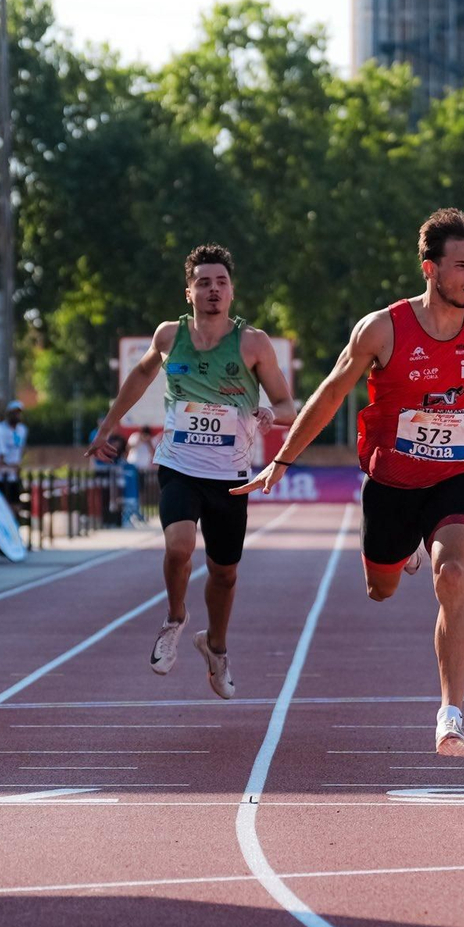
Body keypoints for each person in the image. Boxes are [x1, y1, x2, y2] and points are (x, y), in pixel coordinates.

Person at [233, 209, 464, 756]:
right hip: (392, 481)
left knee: (452, 573)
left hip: (458, 474)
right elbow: (330, 394)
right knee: (382, 588)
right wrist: (282, 460)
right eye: (461, 266)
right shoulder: (381, 329)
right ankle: (403, 554)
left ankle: (451, 714)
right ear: (430, 268)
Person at [86, 244, 297, 700]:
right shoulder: (168, 337)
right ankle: (175, 619)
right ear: (189, 292)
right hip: (179, 465)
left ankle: (215, 648)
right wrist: (107, 427)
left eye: (221, 282)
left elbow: (287, 405)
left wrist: (268, 414)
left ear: (232, 291)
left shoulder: (252, 343)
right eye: (204, 282)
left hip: (230, 475)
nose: (213, 290)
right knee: (179, 547)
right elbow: (139, 378)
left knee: (224, 574)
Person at [0, 400, 29, 504]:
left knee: (15, 503)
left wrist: (19, 463)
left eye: (19, 413)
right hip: (2, 473)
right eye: (15, 413)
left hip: (15, 472)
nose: (17, 415)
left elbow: (21, 448)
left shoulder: (22, 430)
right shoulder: (0, 429)